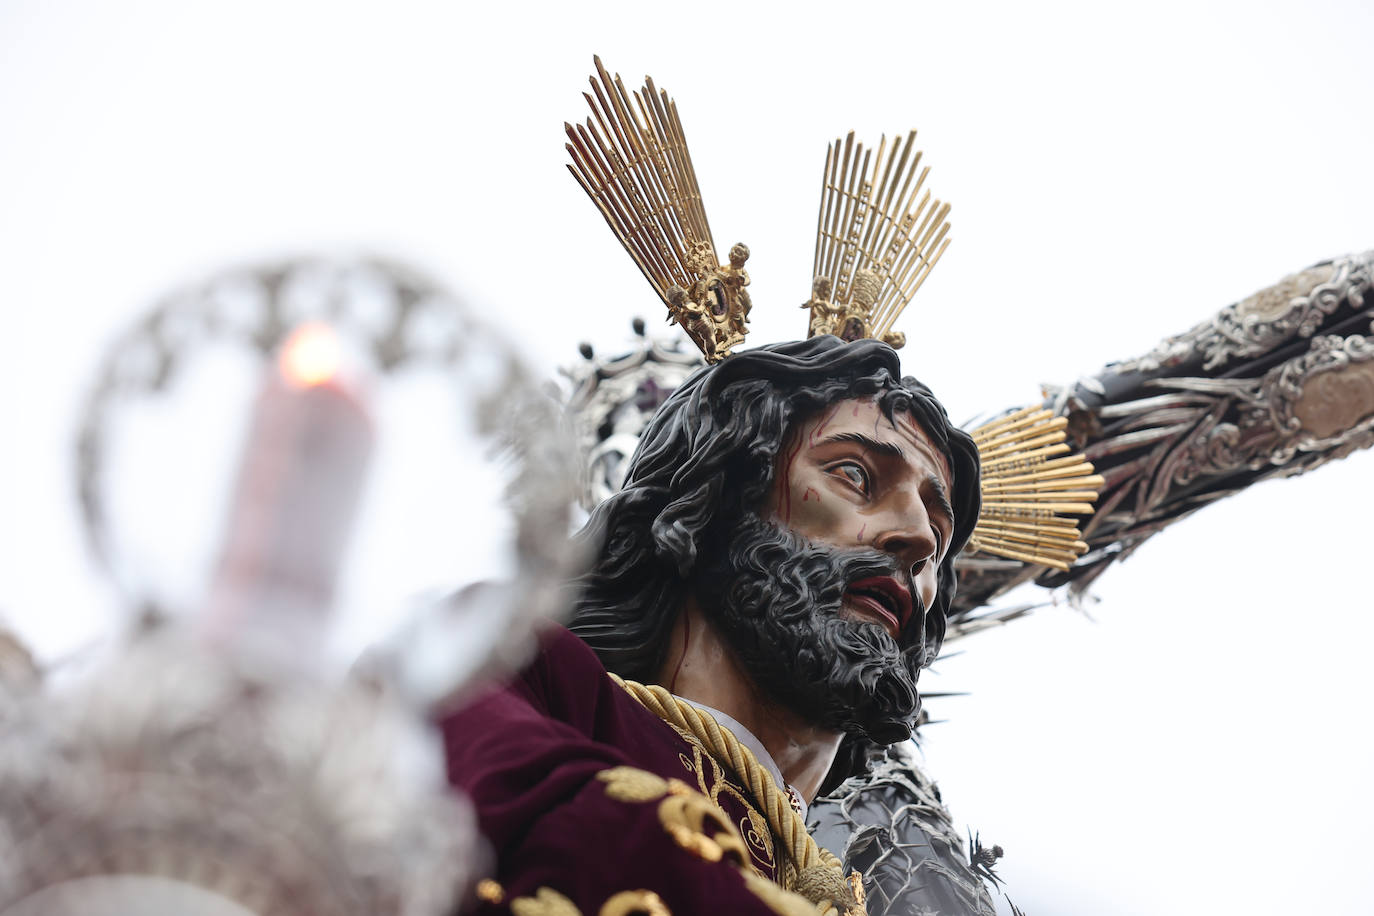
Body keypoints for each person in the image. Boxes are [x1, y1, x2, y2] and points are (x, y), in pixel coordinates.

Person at [438, 336, 980, 916]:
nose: (919, 539)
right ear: (715, 496)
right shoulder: (519, 668)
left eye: (939, 532)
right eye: (854, 475)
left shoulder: (830, 881)